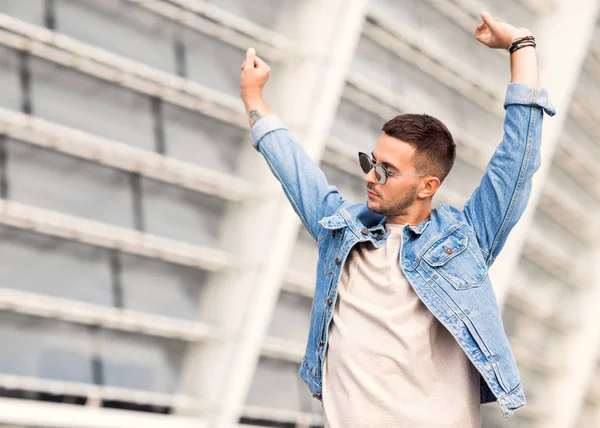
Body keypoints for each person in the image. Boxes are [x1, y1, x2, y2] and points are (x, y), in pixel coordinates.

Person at [239, 11, 555, 428]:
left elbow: (516, 160)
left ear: (427, 186)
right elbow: (295, 169)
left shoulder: (466, 240)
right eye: (371, 161)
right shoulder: (340, 231)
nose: (370, 175)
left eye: (387, 170)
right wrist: (255, 100)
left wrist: (521, 46)